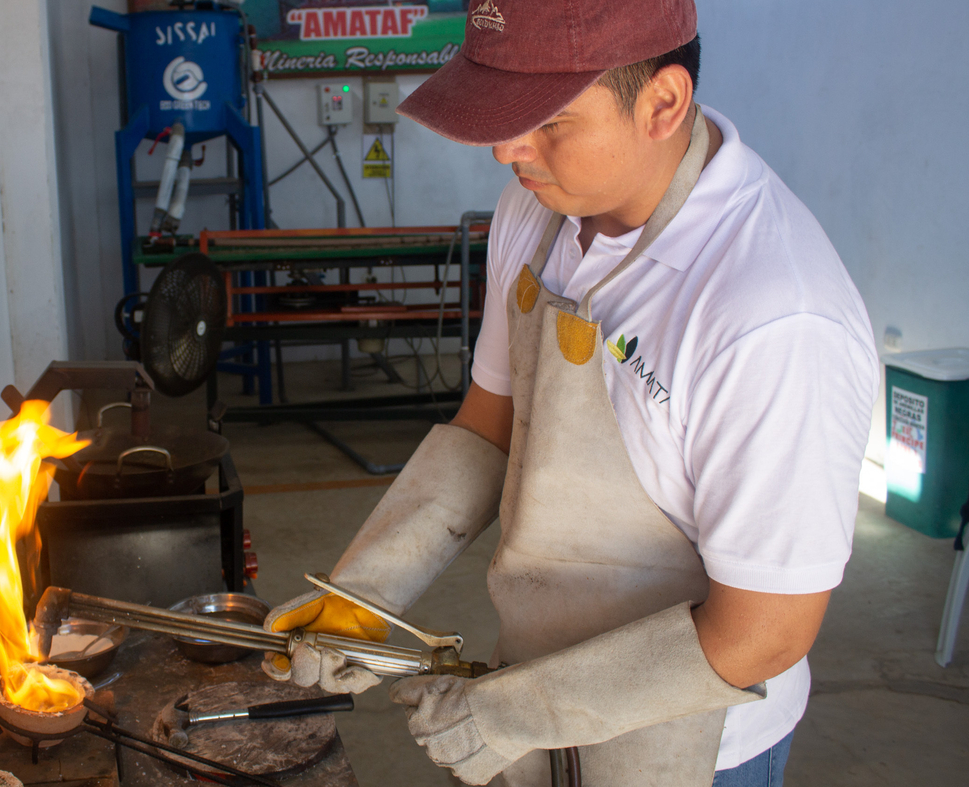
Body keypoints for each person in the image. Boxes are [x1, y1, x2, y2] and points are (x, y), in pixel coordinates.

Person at [259, 1, 879, 785]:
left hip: (689, 739)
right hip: (536, 681)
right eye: (500, 113)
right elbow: (490, 426)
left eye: (547, 119)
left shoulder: (772, 317)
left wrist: (515, 713)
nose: (506, 149)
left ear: (661, 103)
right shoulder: (540, 208)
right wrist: (365, 594)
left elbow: (766, 631)